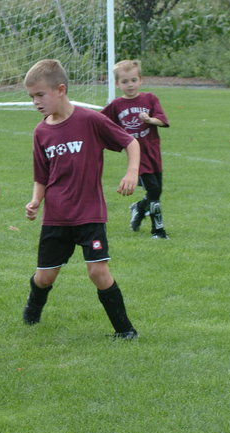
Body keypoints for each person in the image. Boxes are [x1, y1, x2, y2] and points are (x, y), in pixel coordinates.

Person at [21, 59, 140, 339]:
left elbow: (131, 142)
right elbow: (42, 175)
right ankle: (33, 309)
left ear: (61, 89)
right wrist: (36, 201)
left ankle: (126, 331)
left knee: (98, 272)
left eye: (40, 95)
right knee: (45, 277)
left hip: (90, 214)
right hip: (56, 217)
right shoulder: (41, 132)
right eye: (32, 97)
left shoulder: (90, 120)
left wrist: (131, 173)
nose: (36, 102)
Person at [101, 59, 170, 239]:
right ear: (117, 84)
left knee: (156, 190)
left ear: (140, 80)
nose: (130, 84)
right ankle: (158, 231)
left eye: (133, 80)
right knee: (153, 190)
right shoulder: (116, 105)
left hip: (153, 152)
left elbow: (162, 120)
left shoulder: (150, 99)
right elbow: (100, 122)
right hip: (137, 156)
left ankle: (138, 208)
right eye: (125, 81)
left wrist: (149, 120)